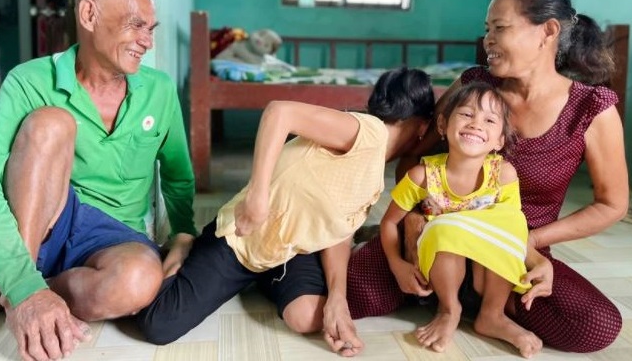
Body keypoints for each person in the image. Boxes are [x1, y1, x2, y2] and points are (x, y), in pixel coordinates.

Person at [347, 0, 629, 353]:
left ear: (547, 31)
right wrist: (412, 220)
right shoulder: (474, 86)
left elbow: (612, 204)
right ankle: (446, 291)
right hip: (436, 235)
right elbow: (415, 156)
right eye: (487, 29)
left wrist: (532, 242)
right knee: (351, 293)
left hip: (508, 249)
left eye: (500, 28)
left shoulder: (591, 109)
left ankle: (480, 305)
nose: (487, 40)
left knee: (595, 326)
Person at [0, 0, 198, 361]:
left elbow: (177, 175)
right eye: (136, 25)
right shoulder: (29, 81)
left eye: (151, 30)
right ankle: (22, 286)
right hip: (49, 222)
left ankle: (3, 292)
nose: (147, 42)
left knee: (141, 281)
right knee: (51, 123)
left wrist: (184, 232)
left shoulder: (160, 89)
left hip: (117, 239)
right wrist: (23, 282)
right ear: (88, 15)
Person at [137, 67, 436, 357]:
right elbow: (279, 112)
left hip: (291, 249)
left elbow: (337, 234)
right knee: (159, 324)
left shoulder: (374, 176)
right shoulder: (369, 131)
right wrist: (257, 194)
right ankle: (185, 244)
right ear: (423, 127)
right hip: (242, 239)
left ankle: (266, 278)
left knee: (308, 317)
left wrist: (338, 299)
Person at [381, 81, 547, 357]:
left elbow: (514, 232)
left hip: (487, 269)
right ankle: (448, 309)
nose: (476, 124)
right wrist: (397, 264)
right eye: (467, 114)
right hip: (441, 267)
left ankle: (492, 315)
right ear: (443, 124)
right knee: (444, 228)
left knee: (509, 220)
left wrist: (539, 261)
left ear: (500, 141)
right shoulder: (422, 176)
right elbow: (388, 222)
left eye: (490, 120)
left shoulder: (503, 174)